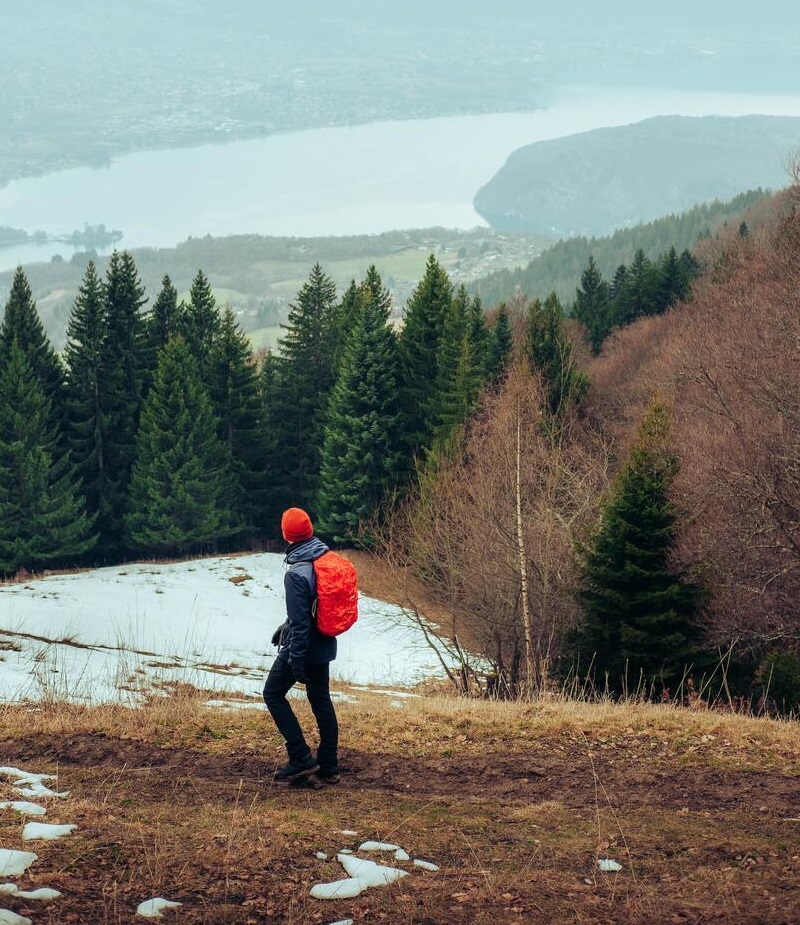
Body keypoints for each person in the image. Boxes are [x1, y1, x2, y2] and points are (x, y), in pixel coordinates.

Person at [263, 507, 340, 783]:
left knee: (272, 694)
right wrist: (287, 626)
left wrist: (295, 660)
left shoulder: (296, 572)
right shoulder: (323, 558)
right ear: (310, 530)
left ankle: (301, 758)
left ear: (286, 535)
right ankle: (329, 766)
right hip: (324, 642)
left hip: (303, 646)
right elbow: (310, 610)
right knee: (321, 701)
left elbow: (302, 623)